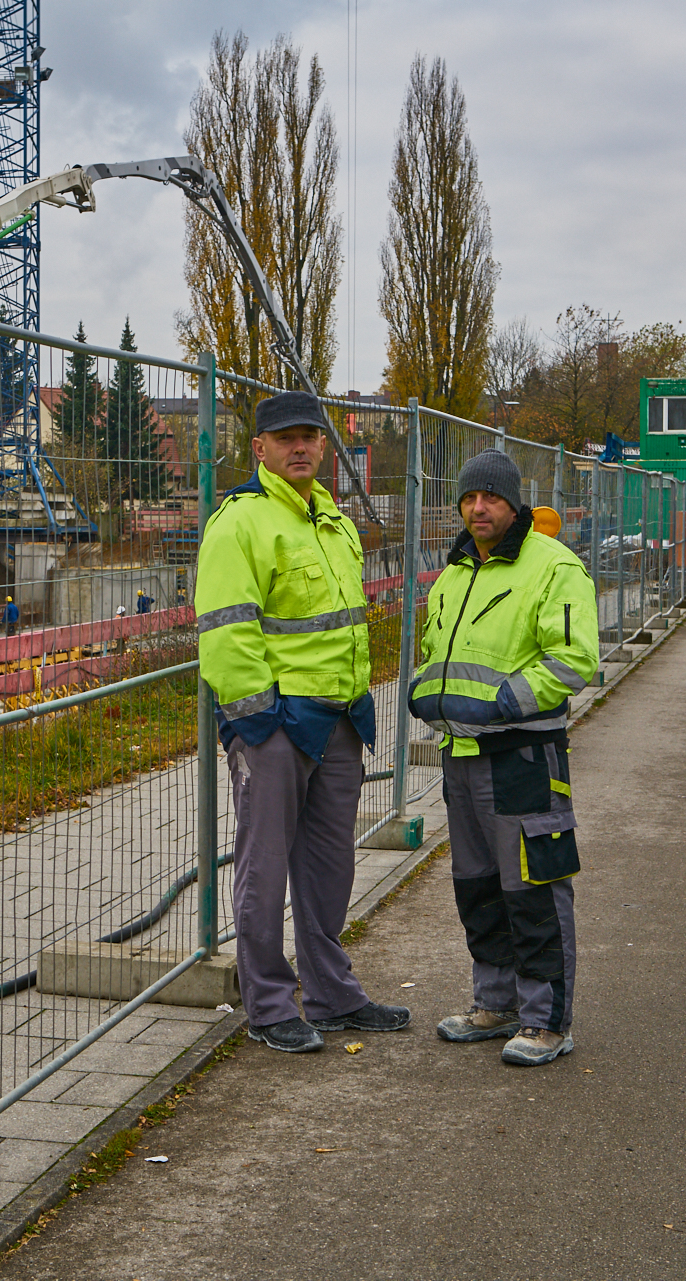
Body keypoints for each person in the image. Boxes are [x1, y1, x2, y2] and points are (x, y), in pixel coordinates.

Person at [195, 389, 408, 1053]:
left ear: (323, 445)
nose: (300, 447)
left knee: (329, 867)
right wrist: (260, 725)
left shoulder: (334, 521)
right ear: (259, 447)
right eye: (285, 438)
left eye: (310, 437)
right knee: (264, 869)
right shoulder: (240, 523)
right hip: (278, 726)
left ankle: (332, 994)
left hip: (340, 719)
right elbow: (226, 633)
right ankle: (268, 1005)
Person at [409, 447, 598, 1067]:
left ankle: (546, 1021)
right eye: (468, 497)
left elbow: (573, 659)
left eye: (490, 497)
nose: (478, 507)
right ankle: (495, 1004)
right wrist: (425, 692)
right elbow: (436, 654)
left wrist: (501, 704)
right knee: (479, 888)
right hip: (460, 755)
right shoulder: (456, 571)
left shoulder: (553, 566)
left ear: (514, 503)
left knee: (533, 888)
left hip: (521, 757)